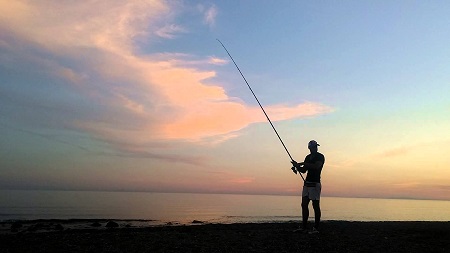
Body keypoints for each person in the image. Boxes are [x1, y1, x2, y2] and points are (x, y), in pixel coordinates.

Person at [291, 140, 325, 234]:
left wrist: (303, 163)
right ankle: (304, 227)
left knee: (315, 205)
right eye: (314, 146)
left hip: (315, 183)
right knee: (304, 205)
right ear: (310, 148)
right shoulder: (308, 157)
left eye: (316, 146)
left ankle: (316, 228)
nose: (316, 148)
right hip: (307, 183)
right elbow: (303, 171)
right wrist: (297, 166)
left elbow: (316, 167)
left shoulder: (320, 156)